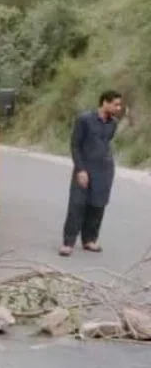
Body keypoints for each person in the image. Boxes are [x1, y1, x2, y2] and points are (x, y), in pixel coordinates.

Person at [60, 90, 123, 256]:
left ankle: (89, 240)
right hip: (84, 168)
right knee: (77, 204)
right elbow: (75, 145)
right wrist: (80, 169)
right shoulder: (84, 120)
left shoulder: (113, 124)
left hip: (104, 170)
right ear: (105, 102)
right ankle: (68, 243)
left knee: (97, 206)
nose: (118, 107)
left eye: (119, 104)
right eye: (116, 104)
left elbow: (106, 143)